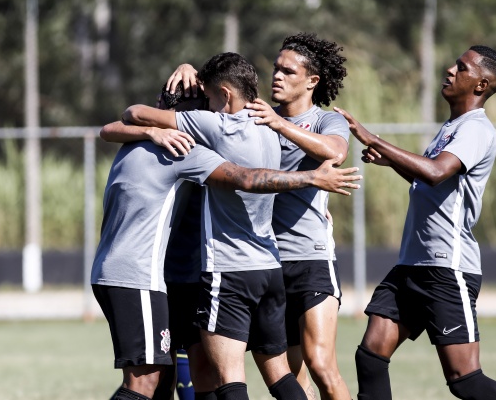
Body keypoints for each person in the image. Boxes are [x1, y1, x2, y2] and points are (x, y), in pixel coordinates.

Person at [94, 56, 361, 400]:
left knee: (211, 378)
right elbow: (114, 127)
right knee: (275, 375)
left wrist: (311, 182)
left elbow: (126, 117)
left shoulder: (196, 139)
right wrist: (310, 182)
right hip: (260, 266)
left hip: (217, 271)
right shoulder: (264, 127)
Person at [166, 32, 352, 400]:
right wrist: (194, 72)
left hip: (310, 256)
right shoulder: (254, 115)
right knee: (290, 374)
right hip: (268, 259)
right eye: (275, 68)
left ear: (312, 81)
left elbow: (335, 152)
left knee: (320, 362)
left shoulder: (325, 121)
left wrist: (280, 124)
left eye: (287, 71)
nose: (277, 76)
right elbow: (227, 89)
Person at [333, 46, 496, 399]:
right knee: (371, 355)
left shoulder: (476, 129)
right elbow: (432, 185)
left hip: (446, 269)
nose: (449, 70)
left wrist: (374, 139)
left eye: (461, 67)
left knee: (464, 380)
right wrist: (393, 162)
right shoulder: (452, 127)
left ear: (481, 85)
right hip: (412, 265)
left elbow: (436, 172)